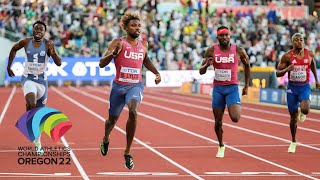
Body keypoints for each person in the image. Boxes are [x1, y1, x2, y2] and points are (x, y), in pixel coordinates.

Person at [99, 12, 161, 169]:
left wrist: (156, 72)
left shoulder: (144, 45)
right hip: (119, 87)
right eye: (133, 25)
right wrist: (113, 54)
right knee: (111, 121)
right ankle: (106, 138)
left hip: (135, 85)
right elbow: (101, 63)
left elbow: (146, 60)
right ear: (125, 28)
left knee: (133, 111)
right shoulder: (117, 42)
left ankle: (127, 152)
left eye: (139, 25)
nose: (137, 28)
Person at [7, 21, 62, 155]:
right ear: (32, 30)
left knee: (39, 114)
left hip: (42, 81)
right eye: (36, 29)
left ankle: (37, 142)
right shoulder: (25, 42)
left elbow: (59, 63)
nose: (38, 31)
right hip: (28, 78)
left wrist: (53, 52)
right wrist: (9, 66)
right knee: (31, 103)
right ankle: (28, 114)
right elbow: (13, 49)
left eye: (41, 29)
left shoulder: (48, 44)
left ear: (45, 31)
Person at [199, 26, 250, 158]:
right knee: (218, 121)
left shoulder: (238, 50)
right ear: (218, 38)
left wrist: (247, 85)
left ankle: (235, 103)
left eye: (226, 35)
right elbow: (201, 71)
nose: (224, 37)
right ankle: (221, 145)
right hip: (218, 89)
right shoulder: (211, 50)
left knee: (235, 118)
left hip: (232, 87)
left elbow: (247, 65)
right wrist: (206, 65)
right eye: (222, 35)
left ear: (229, 36)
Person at [276, 33, 319, 153]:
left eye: (301, 39)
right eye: (296, 40)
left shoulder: (309, 53)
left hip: (304, 87)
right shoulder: (287, 56)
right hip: (292, 88)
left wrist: (316, 79)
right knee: (293, 118)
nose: (299, 41)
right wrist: (287, 69)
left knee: (305, 109)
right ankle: (293, 141)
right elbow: (277, 73)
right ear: (292, 42)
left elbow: (313, 63)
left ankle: (303, 112)